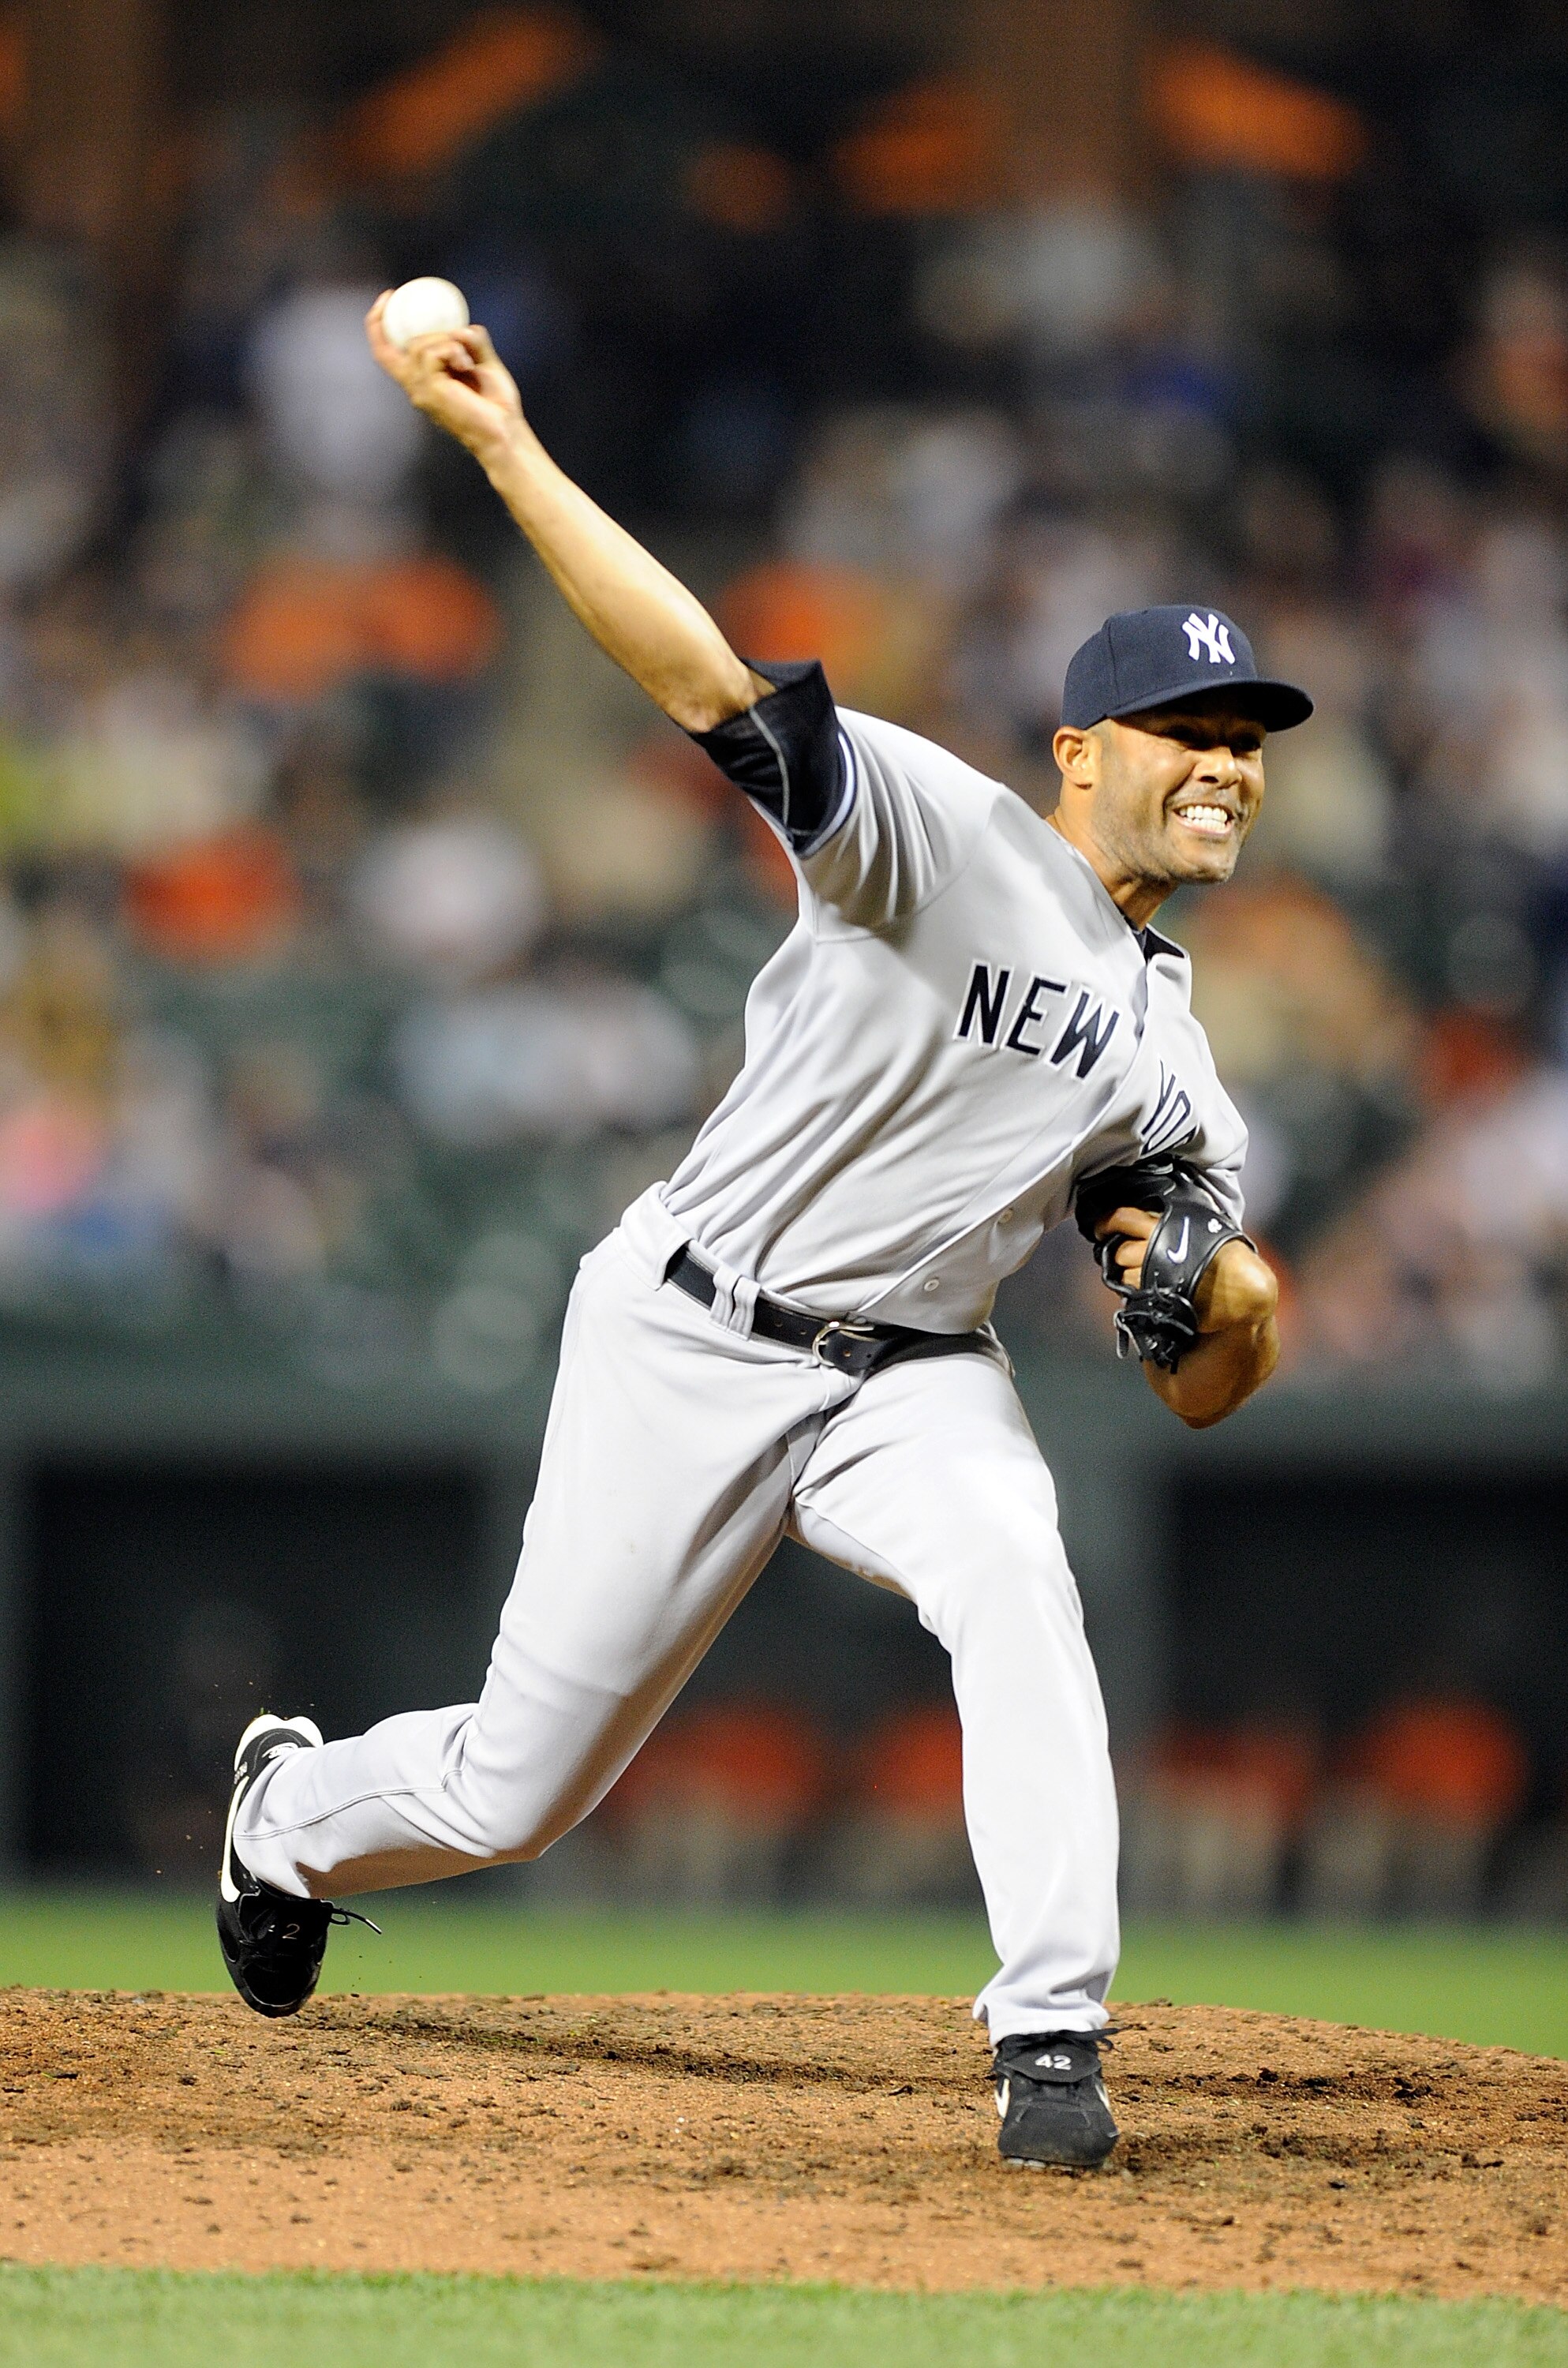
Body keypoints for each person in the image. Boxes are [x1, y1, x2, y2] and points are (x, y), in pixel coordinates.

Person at [216, 298, 1308, 2171]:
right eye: (1182, 730)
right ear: (1079, 749)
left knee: (1016, 1575)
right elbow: (704, 679)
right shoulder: (940, 838)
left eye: (1249, 738)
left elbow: (1202, 1354)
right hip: (690, 1330)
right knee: (517, 1792)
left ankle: (1050, 2035)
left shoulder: (1176, 1058)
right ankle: (285, 1818)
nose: (1223, 762)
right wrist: (504, 450)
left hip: (911, 1378)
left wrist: (1214, 1304)